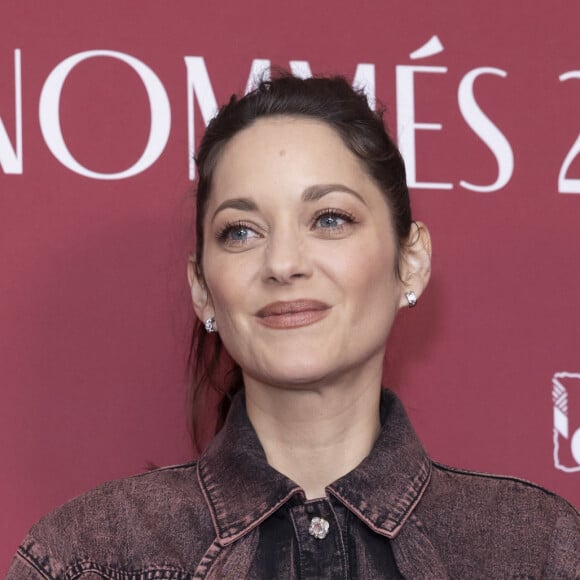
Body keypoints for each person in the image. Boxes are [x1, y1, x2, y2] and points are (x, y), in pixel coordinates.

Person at [8, 73, 579, 579]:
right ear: (203, 287)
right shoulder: (87, 557)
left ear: (411, 261)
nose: (283, 264)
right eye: (241, 231)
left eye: (330, 219)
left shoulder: (537, 549)